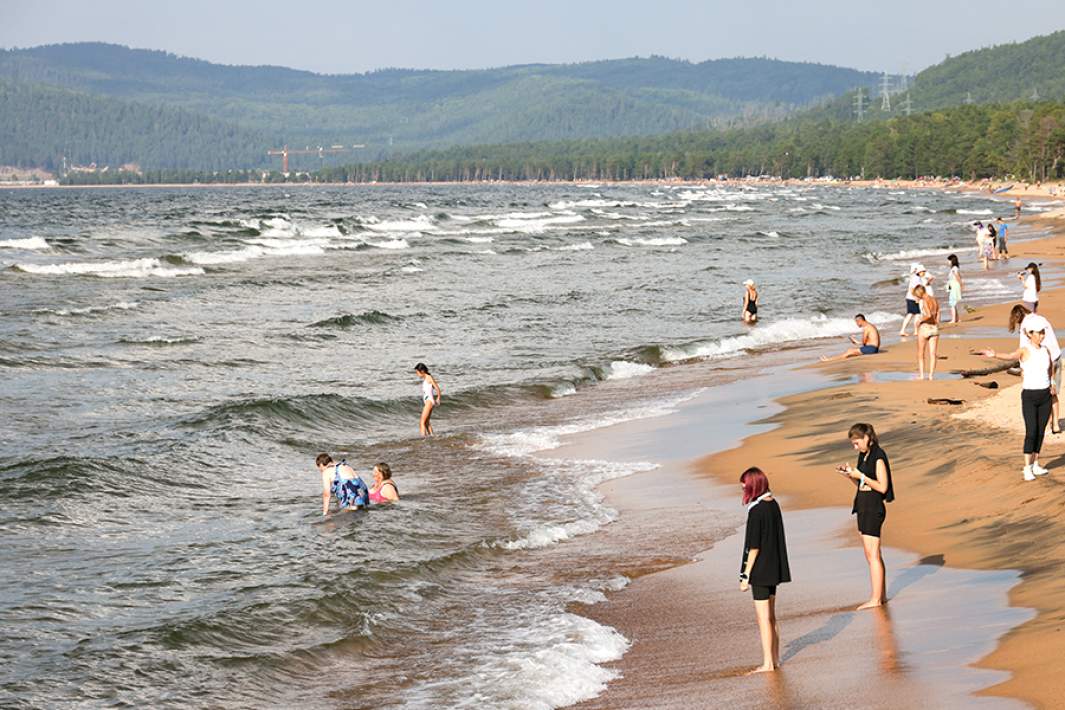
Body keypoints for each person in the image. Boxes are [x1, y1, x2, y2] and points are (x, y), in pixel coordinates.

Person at [978, 315, 1055, 480]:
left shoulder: (1046, 350)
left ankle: (1036, 463)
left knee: (1041, 432)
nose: (1042, 336)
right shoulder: (1024, 350)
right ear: (1029, 334)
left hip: (1045, 395)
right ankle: (1027, 467)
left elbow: (1050, 368)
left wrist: (1052, 383)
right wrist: (994, 354)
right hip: (1030, 396)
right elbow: (1011, 356)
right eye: (1039, 333)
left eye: (1043, 333)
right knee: (1031, 431)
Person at [835, 423, 893, 609]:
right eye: (853, 443)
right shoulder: (864, 455)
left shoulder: (878, 456)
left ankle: (876, 599)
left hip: (873, 508)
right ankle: (880, 596)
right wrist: (850, 475)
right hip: (863, 506)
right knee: (871, 555)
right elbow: (862, 484)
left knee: (873, 554)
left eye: (856, 442)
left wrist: (861, 475)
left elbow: (882, 487)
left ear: (867, 438)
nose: (855, 447)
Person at [738, 467, 790, 673]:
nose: (743, 488)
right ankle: (774, 659)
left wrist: (745, 576)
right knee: (771, 617)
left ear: (753, 485)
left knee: (763, 619)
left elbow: (753, 546)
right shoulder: (773, 504)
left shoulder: (756, 510)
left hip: (760, 571)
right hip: (774, 568)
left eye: (744, 485)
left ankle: (768, 663)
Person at [1009, 305, 1062, 434]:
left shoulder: (1025, 326)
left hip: (1042, 359)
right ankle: (1055, 424)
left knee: (1044, 392)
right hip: (1056, 355)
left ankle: (1047, 423)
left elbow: (1024, 348)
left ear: (1017, 317)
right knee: (1053, 392)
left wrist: (1023, 368)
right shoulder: (1041, 318)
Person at [913, 284, 940, 380]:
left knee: (921, 353)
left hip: (925, 327)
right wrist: (936, 323)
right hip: (934, 327)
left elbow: (928, 314)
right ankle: (931, 375)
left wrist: (920, 320)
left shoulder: (924, 301)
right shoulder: (934, 299)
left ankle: (921, 375)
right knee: (932, 353)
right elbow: (938, 312)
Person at [415, 362, 442, 437]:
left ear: (422, 371)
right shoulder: (426, 378)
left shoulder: (429, 377)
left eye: (417, 372)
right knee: (426, 423)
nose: (417, 374)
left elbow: (437, 388)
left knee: (422, 422)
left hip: (429, 401)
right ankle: (432, 436)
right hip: (429, 401)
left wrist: (438, 398)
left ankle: (423, 439)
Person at [899, 264, 926, 337]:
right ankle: (909, 330)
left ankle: (912, 330)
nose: (924, 273)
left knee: (913, 314)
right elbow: (912, 289)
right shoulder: (916, 279)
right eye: (923, 271)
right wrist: (916, 298)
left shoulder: (916, 278)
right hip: (913, 298)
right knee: (914, 314)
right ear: (919, 272)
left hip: (911, 298)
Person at [947, 254, 964, 323]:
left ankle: (954, 319)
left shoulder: (954, 269)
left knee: (952, 303)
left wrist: (961, 285)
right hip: (954, 286)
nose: (948, 262)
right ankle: (956, 318)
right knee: (953, 303)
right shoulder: (955, 268)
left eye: (949, 261)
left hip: (954, 286)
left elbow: (958, 277)